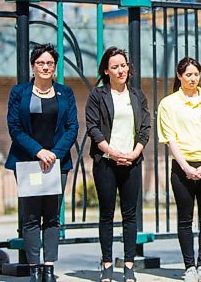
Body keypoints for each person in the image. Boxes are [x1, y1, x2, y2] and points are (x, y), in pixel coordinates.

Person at [5, 43, 79, 282]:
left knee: (52, 217)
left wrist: (54, 154)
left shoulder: (65, 93)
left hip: (57, 163)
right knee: (30, 217)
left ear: (55, 67)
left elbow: (72, 127)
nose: (45, 67)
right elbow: (15, 128)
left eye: (50, 63)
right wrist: (39, 151)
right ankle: (34, 268)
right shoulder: (19, 92)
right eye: (40, 63)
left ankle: (48, 268)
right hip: (28, 162)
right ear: (33, 66)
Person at [85, 47, 150, 282]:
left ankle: (129, 266)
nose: (120, 70)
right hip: (106, 162)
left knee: (130, 215)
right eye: (115, 67)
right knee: (107, 215)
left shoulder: (137, 96)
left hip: (132, 162)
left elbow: (145, 129)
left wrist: (133, 154)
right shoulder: (98, 95)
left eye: (123, 65)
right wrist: (112, 152)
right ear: (106, 70)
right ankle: (107, 264)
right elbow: (92, 127)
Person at [157, 57, 201, 282]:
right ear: (179, 76)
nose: (193, 79)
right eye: (188, 75)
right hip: (181, 167)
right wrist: (186, 167)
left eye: (196, 74)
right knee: (185, 218)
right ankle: (189, 267)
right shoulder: (168, 104)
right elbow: (170, 139)